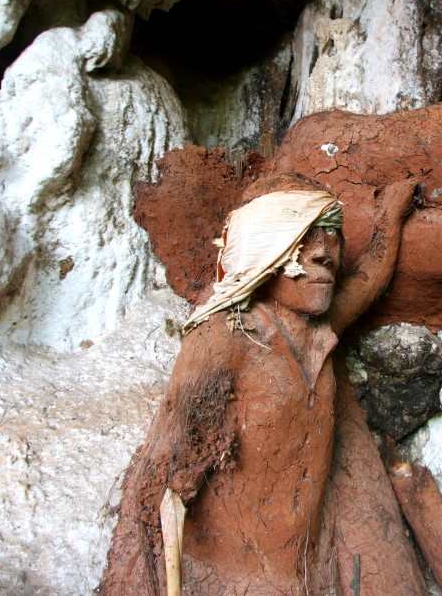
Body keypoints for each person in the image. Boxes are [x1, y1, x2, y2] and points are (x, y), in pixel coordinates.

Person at [99, 173, 417, 595]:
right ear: (263, 252)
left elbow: (368, 279)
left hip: (304, 577)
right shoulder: (223, 338)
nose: (325, 254)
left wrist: (391, 217)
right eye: (303, 237)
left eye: (331, 237)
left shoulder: (320, 330)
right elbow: (165, 478)